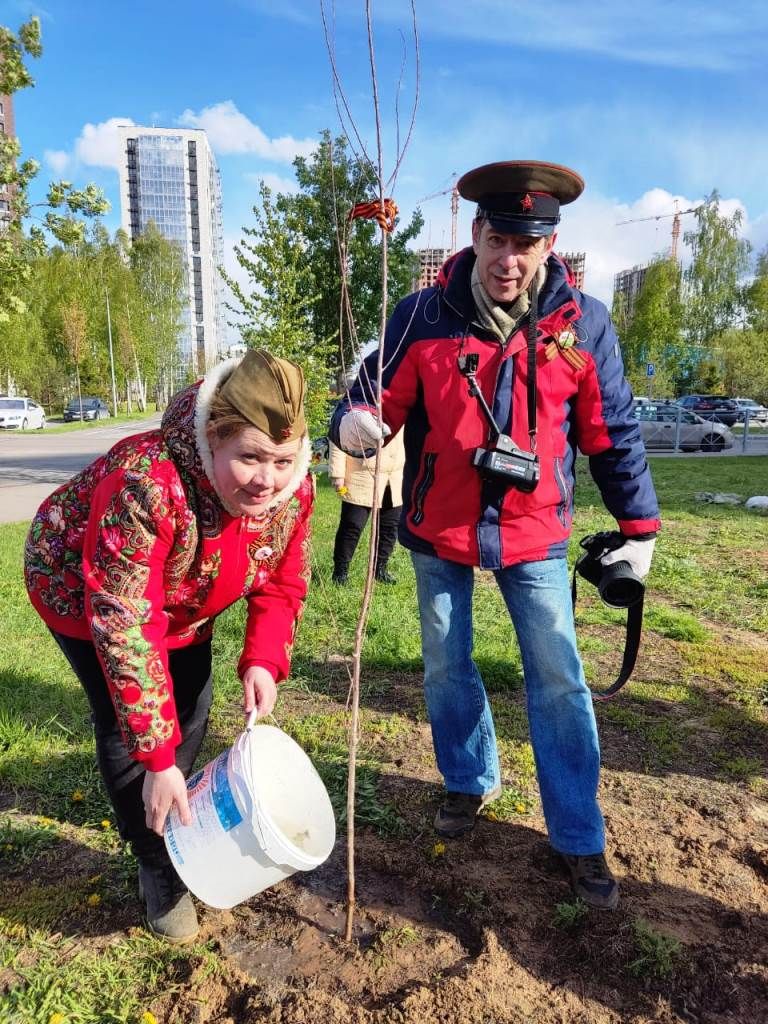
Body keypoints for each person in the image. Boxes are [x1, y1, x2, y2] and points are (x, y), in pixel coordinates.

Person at [330, 161, 661, 910]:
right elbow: (370, 403)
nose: (509, 258)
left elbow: (612, 437)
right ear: (474, 235)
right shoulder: (422, 315)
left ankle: (578, 833)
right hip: (438, 525)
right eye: (498, 239)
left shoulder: (584, 325)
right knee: (447, 666)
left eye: (526, 242)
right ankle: (467, 778)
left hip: (536, 531)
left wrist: (639, 526)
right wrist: (356, 425)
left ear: (550, 245)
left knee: (558, 680)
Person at [25, 350, 314, 942]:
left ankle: (178, 817)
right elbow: (126, 624)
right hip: (86, 590)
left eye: (282, 460)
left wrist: (263, 658)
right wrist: (157, 760)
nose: (268, 480)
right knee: (129, 724)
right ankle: (157, 862)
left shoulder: (293, 491)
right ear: (212, 440)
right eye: (251, 458)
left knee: (192, 701)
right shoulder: (146, 484)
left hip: (187, 599)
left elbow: (283, 579)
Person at [328, 429, 405, 585]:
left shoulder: (403, 405)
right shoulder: (356, 404)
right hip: (361, 473)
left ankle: (380, 569)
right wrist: (337, 474)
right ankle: (340, 573)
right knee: (352, 526)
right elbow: (338, 435)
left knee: (390, 526)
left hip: (394, 475)